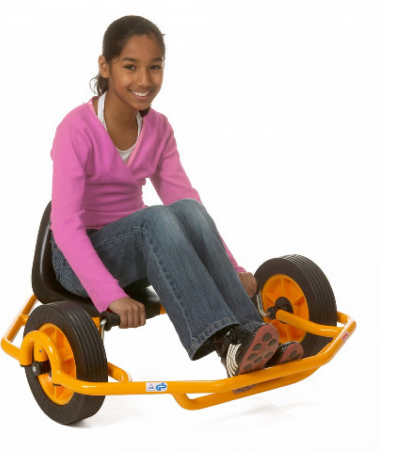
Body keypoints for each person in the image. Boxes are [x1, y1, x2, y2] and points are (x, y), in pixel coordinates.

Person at [50, 15, 303, 383]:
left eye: (154, 67)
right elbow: (66, 226)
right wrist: (109, 295)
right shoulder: (75, 130)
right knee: (156, 218)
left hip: (141, 244)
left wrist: (232, 268)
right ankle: (225, 342)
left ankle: (251, 334)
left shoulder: (158, 128)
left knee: (186, 208)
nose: (144, 80)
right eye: (130, 66)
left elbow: (187, 203)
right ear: (105, 67)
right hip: (77, 258)